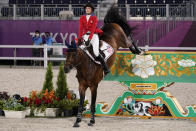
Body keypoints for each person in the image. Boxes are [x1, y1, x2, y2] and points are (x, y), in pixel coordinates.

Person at [78, 2, 110, 76]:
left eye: (88, 8)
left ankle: (105, 67)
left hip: (94, 36)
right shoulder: (82, 18)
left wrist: (89, 39)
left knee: (96, 52)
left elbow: (92, 29)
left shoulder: (94, 18)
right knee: (80, 50)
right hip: (85, 35)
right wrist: (79, 38)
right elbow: (81, 29)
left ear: (91, 10)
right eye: (86, 8)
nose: (87, 10)